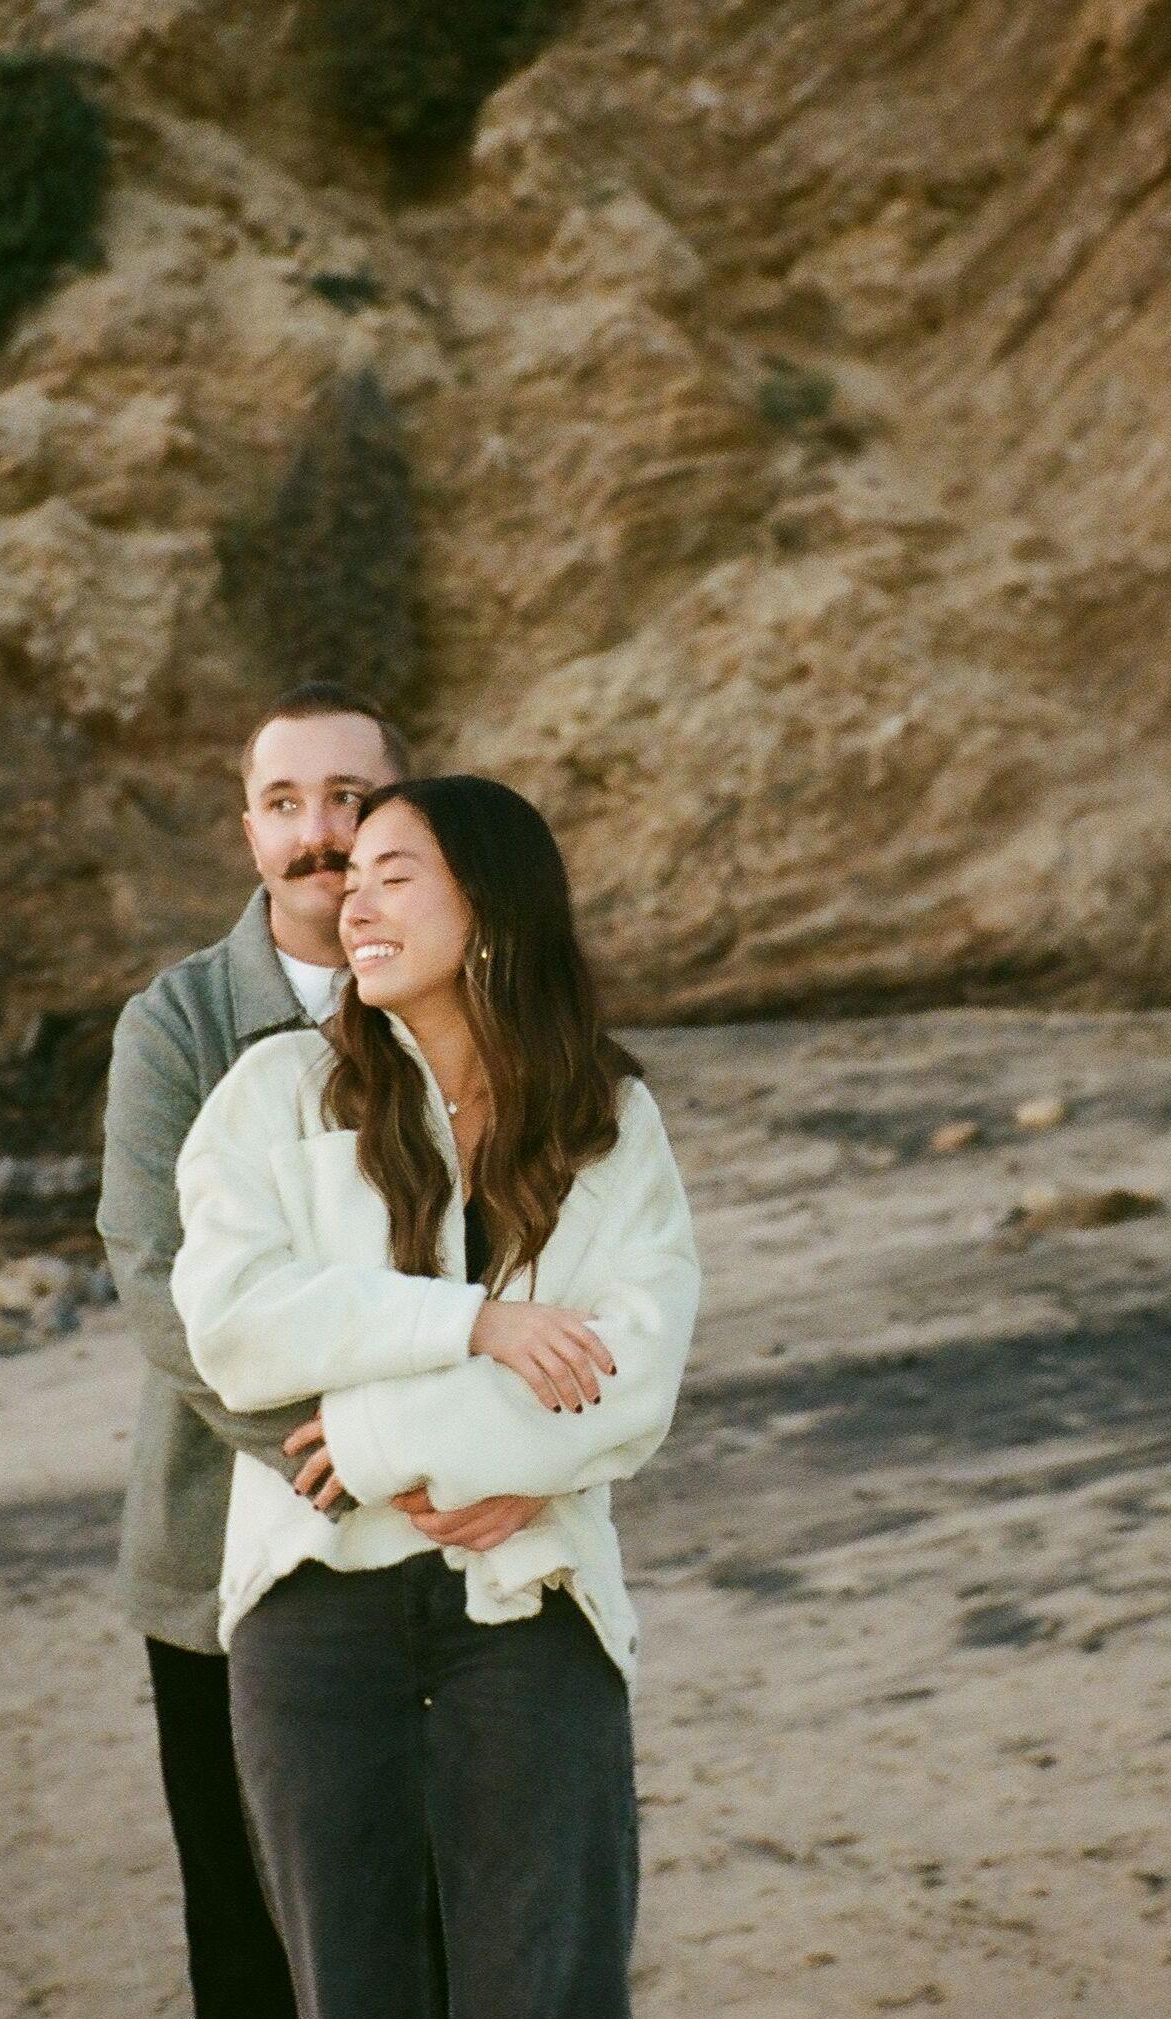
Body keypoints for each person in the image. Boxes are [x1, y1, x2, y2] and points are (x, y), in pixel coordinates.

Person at [172, 774, 700, 2019]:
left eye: (392, 877)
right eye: (348, 883)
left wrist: (380, 1439)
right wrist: (475, 1325)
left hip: (533, 1591)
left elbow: (633, 1368)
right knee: (356, 1993)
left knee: (550, 1987)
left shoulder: (604, 1117)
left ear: (492, 905)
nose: (352, 905)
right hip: (314, 1607)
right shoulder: (272, 1094)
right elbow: (233, 1324)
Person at [97, 692, 552, 2019]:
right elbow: (159, 1280)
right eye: (283, 802)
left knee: (452, 1918)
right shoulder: (177, 1025)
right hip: (223, 1549)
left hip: (462, 1534)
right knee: (253, 1936)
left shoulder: (485, 1013)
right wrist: (352, 1457)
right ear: (246, 827)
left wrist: (475, 1459)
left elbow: (542, 1262)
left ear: (401, 813)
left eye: (349, 798)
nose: (317, 834)